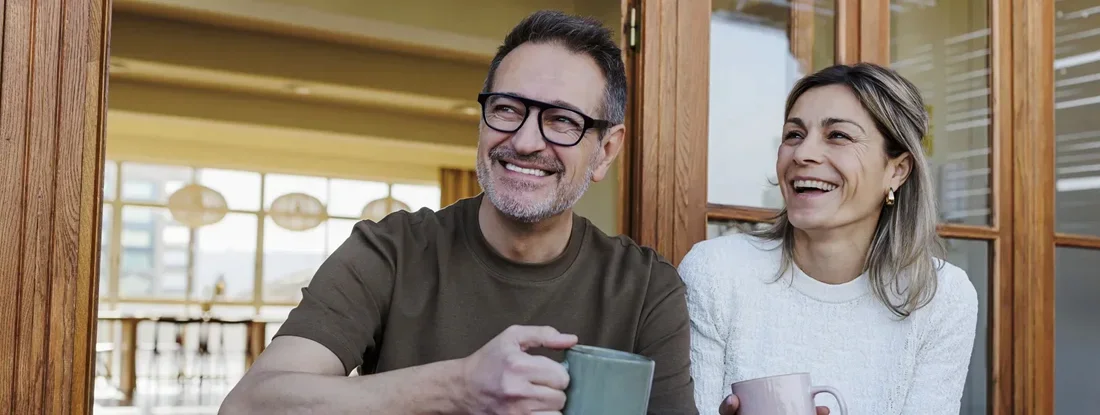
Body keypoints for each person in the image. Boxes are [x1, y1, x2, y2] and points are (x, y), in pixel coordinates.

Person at [219, 10, 697, 415]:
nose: (526, 142)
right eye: (508, 109)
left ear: (607, 151)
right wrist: (459, 385)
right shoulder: (391, 250)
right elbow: (248, 405)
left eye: (562, 120)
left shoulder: (645, 286)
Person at [679, 63, 978, 415]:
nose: (803, 153)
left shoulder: (941, 296)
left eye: (838, 135)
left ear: (896, 170)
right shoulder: (716, 272)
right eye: (794, 134)